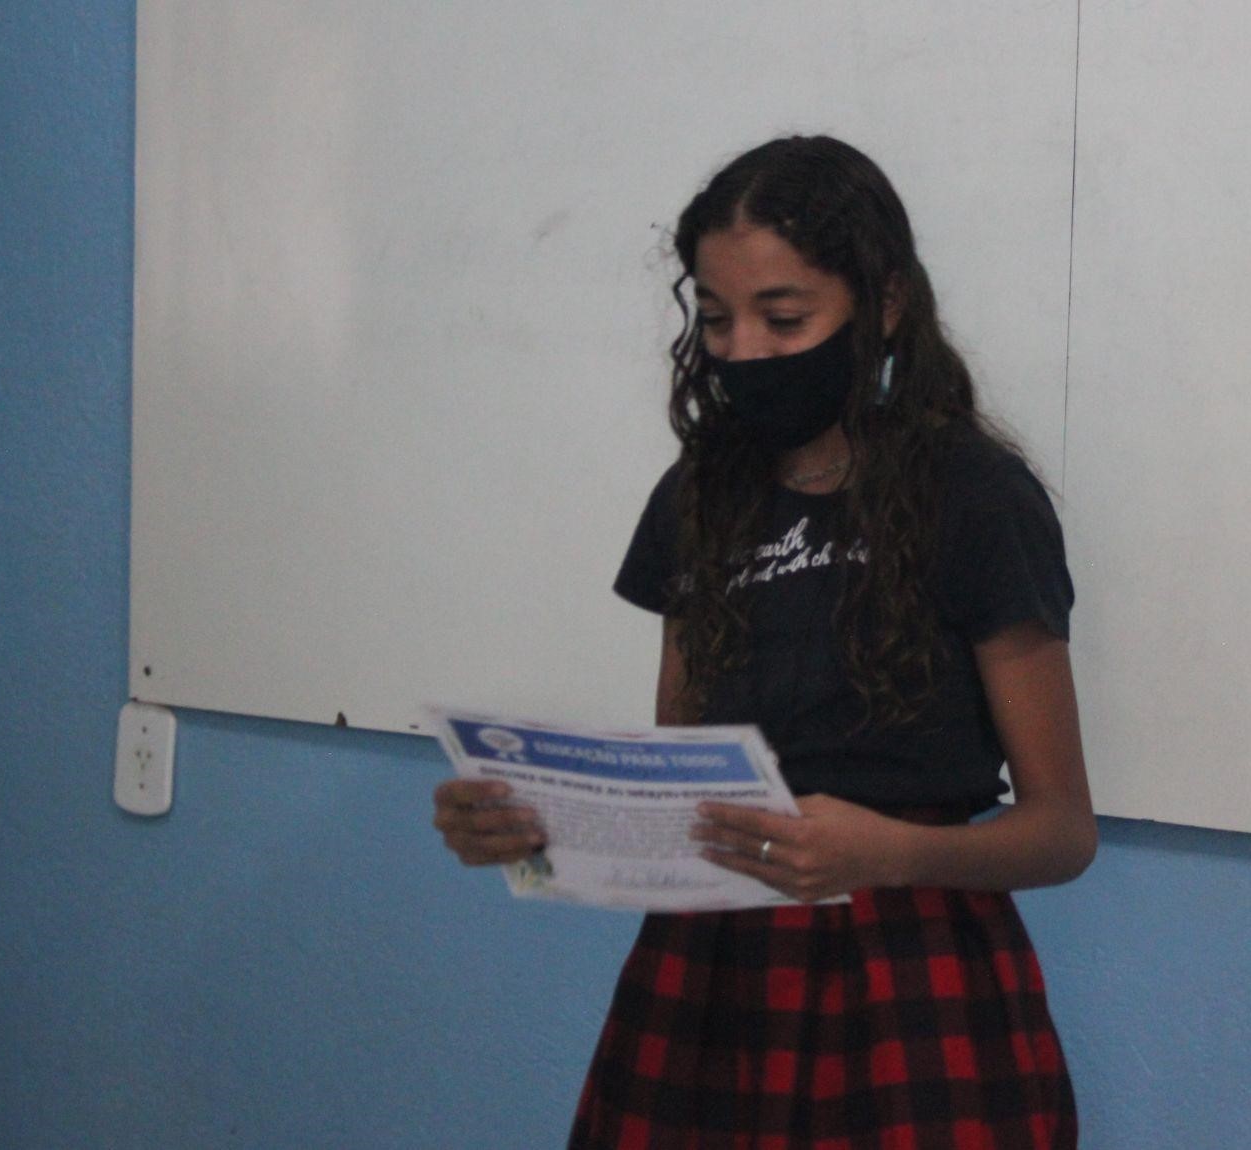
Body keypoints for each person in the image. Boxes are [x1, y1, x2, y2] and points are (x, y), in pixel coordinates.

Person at [432, 135, 1095, 1149]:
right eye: (715, 318)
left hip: (911, 972)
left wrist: (891, 852)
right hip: (712, 976)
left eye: (783, 318)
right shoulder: (702, 495)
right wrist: (536, 827)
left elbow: (1062, 832)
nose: (741, 351)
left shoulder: (975, 497)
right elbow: (680, 787)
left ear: (884, 303)